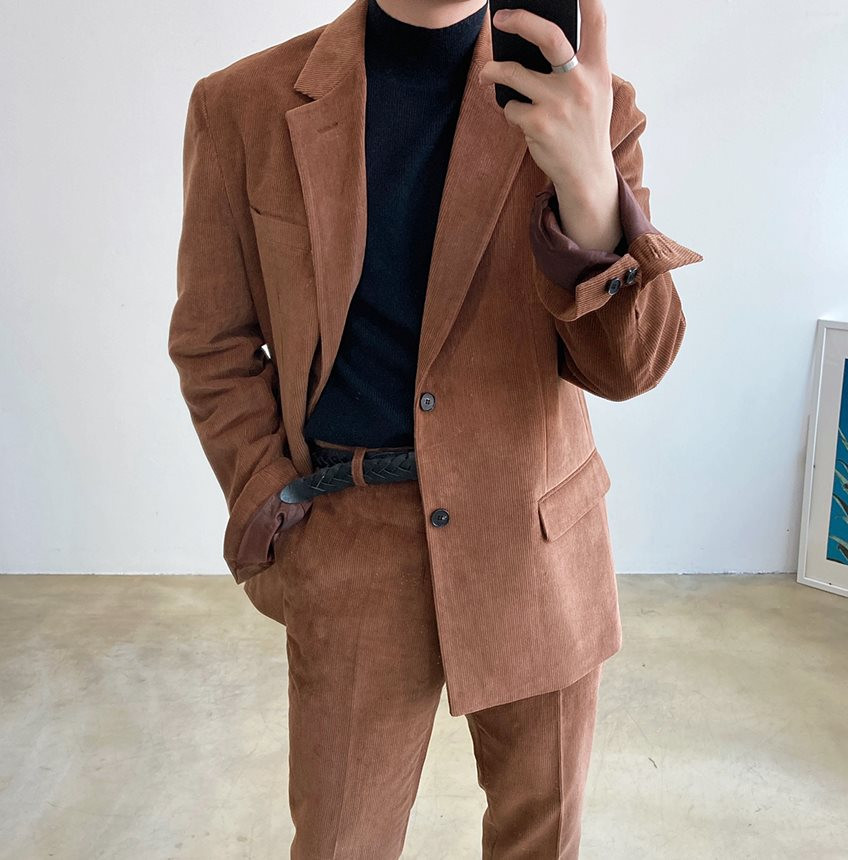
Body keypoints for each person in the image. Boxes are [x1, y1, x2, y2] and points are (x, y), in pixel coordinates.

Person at [167, 0, 703, 855]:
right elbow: (213, 341)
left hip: (536, 539)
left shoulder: (586, 103)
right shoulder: (242, 106)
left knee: (541, 838)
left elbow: (630, 369)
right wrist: (272, 497)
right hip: (350, 543)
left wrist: (591, 191)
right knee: (342, 841)